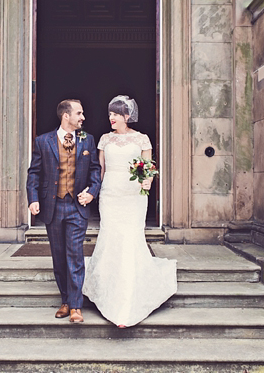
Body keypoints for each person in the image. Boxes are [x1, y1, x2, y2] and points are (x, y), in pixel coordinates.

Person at [82, 95, 177, 327]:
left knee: (130, 238)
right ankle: (108, 293)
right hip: (111, 194)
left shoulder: (142, 139)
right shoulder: (105, 139)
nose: (111, 118)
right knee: (111, 236)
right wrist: (94, 191)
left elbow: (149, 168)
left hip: (133, 195)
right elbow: (100, 169)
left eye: (115, 114)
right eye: (110, 114)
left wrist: (148, 182)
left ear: (126, 116)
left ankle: (129, 300)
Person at [26, 99, 102, 323]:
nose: (83, 117)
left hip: (77, 208)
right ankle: (66, 301)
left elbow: (95, 171)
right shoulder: (43, 141)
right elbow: (34, 174)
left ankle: (76, 306)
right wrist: (33, 199)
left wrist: (92, 192)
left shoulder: (87, 140)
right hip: (53, 207)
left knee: (75, 255)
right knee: (59, 257)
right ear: (66, 116)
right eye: (79, 113)